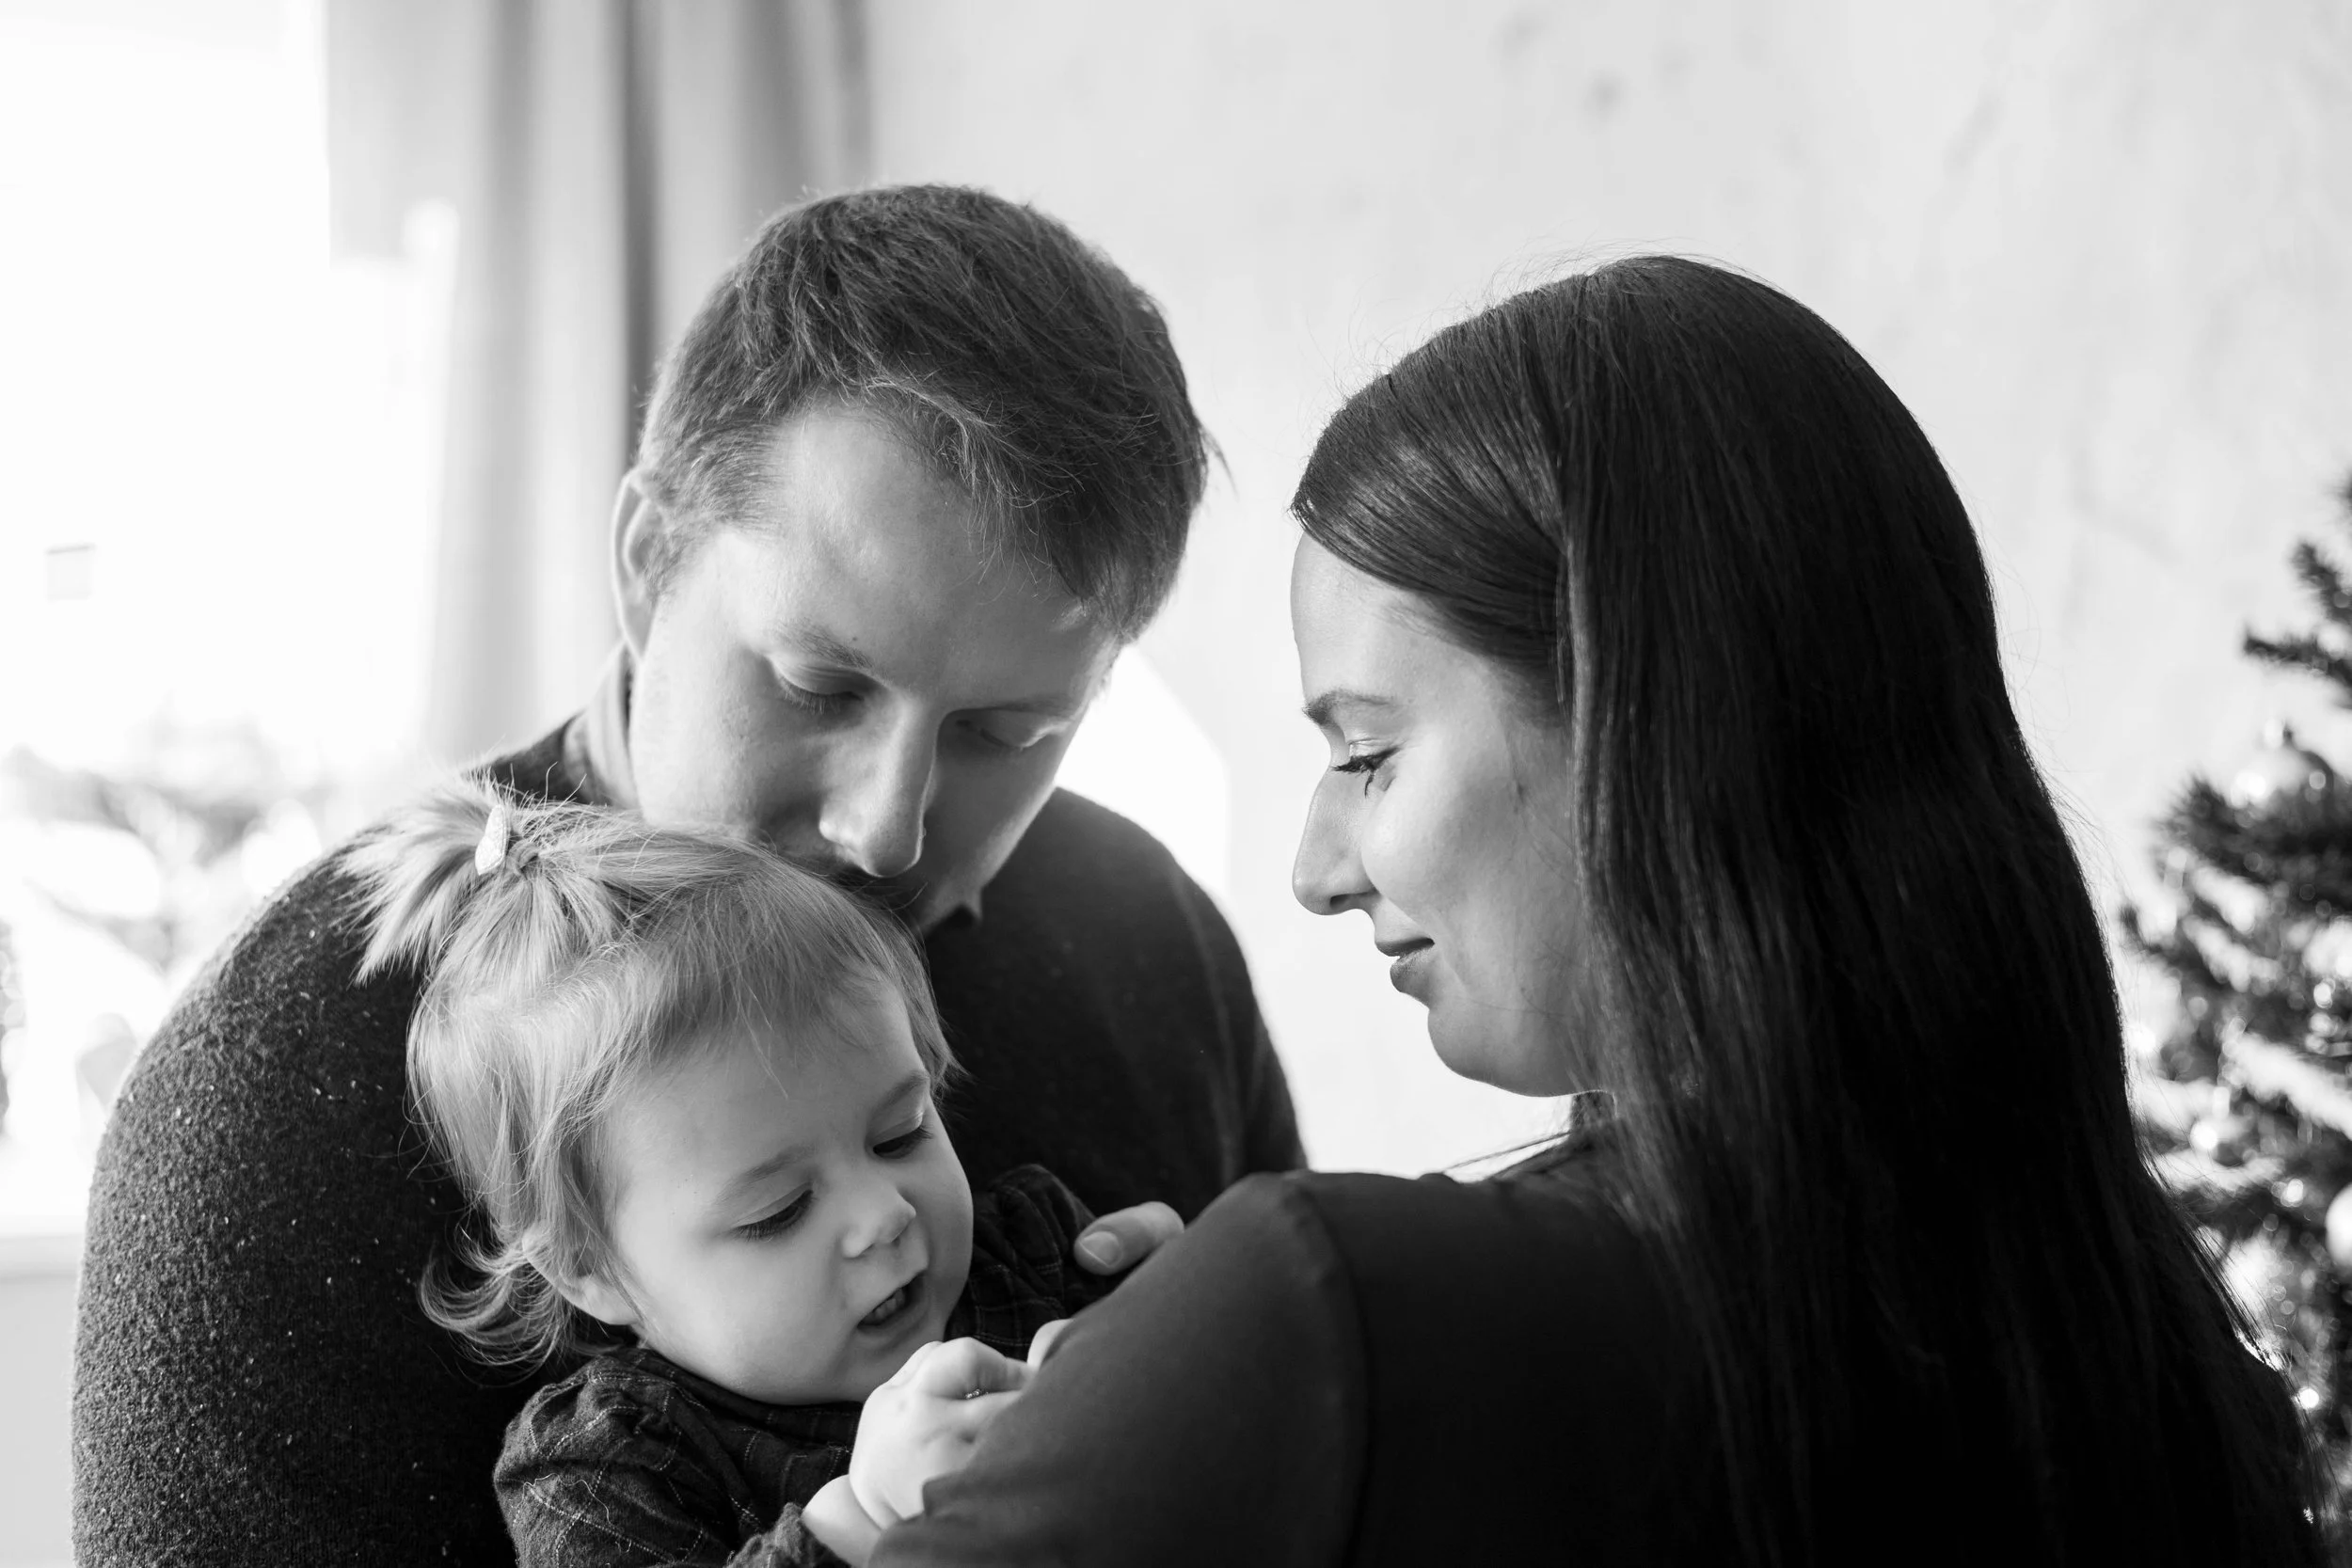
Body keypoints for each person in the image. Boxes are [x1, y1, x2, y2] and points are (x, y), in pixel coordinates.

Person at [853, 258, 2328, 1566]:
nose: (1315, 865)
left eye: (1368, 751)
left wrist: (1178, 1403)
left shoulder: (1322, 1311)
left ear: (1650, 726)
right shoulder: (2164, 1356)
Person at [72, 185, 1301, 1568]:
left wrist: (1236, 1357)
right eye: (820, 681)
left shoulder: (1144, 933)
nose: (887, 829)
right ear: (650, 561)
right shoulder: (282, 1095)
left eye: (1004, 731)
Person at [347, 784, 1139, 1566]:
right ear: (590, 1271)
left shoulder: (1036, 1256)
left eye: (900, 1134)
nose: (886, 1214)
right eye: (780, 1210)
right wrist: (861, 1524)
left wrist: (1189, 1327)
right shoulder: (611, 1470)